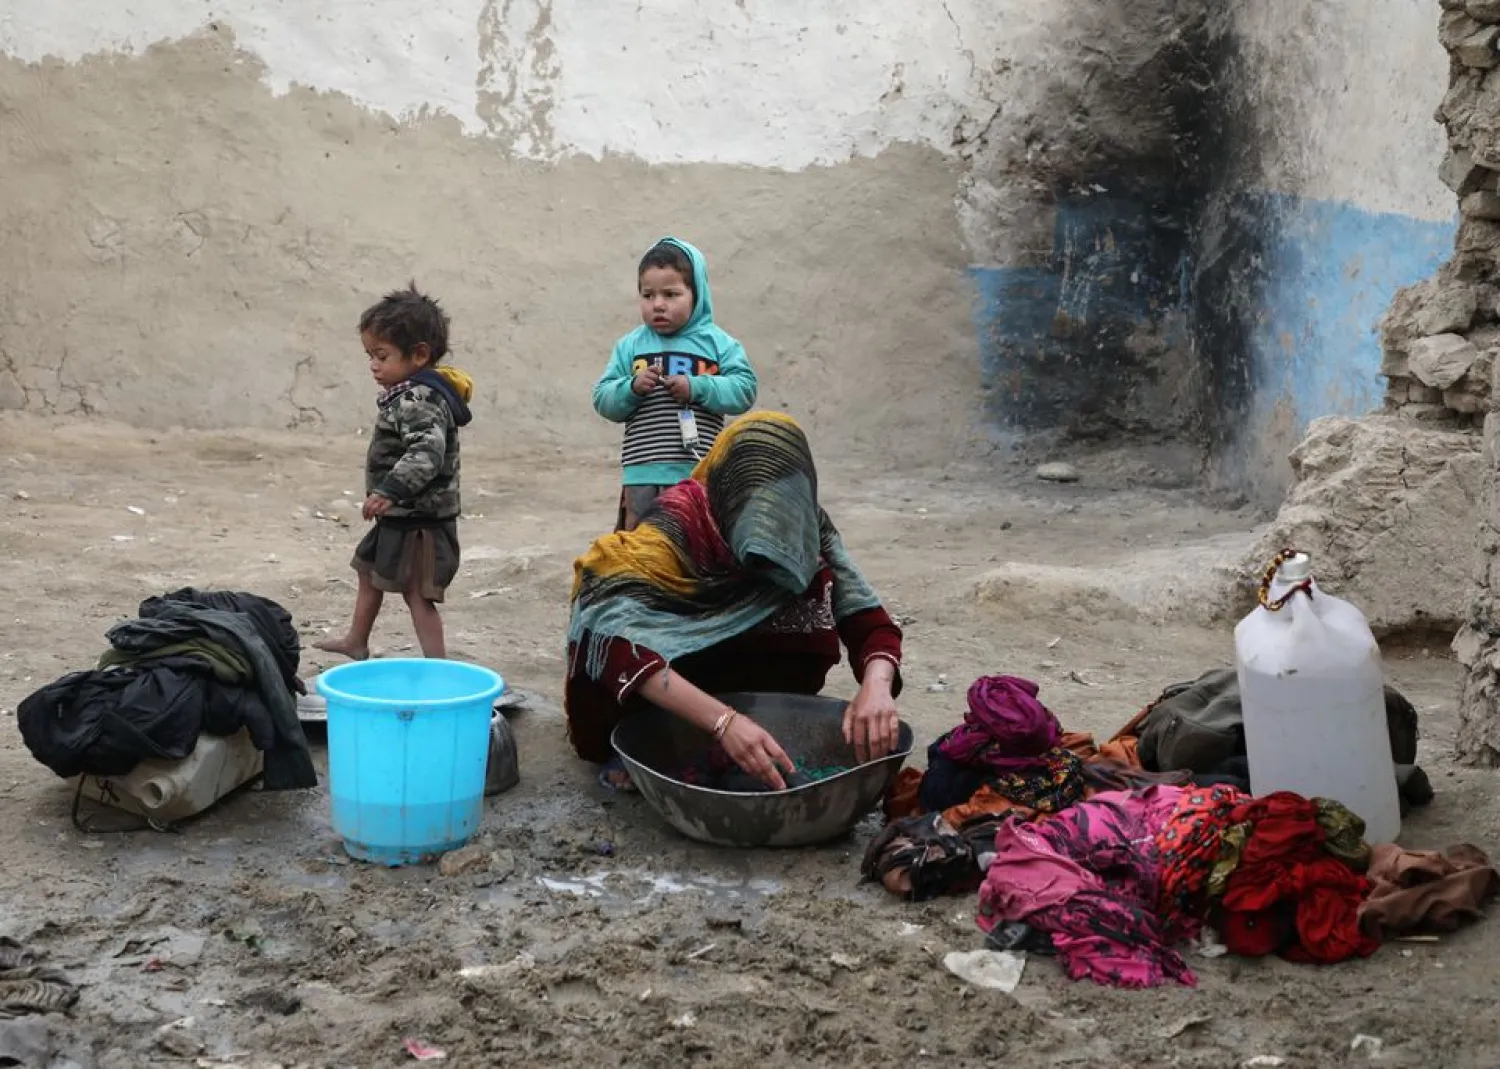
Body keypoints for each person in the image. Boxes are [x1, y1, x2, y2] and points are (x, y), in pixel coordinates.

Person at [564, 412, 904, 792]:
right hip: (678, 703)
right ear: (727, 498)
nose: (774, 549)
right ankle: (661, 744)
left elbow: (868, 619)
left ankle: (753, 732)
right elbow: (608, 637)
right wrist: (722, 722)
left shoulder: (801, 520)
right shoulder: (677, 529)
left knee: (810, 587)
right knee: (629, 651)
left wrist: (876, 686)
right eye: (758, 536)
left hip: (767, 698)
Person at [316, 283, 474, 661]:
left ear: (419, 354)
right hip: (400, 514)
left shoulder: (419, 399)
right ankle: (357, 640)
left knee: (417, 594)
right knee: (367, 569)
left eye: (381, 355)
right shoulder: (407, 393)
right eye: (370, 355)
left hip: (421, 520)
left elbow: (427, 452)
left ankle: (438, 665)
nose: (373, 364)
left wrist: (390, 490)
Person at [593, 237, 758, 531]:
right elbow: (603, 399)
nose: (658, 305)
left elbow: (744, 389)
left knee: (693, 541)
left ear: (697, 293)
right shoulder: (630, 346)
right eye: (648, 295)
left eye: (671, 294)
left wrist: (699, 387)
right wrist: (630, 388)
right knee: (639, 542)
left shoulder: (718, 343)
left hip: (697, 474)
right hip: (641, 474)